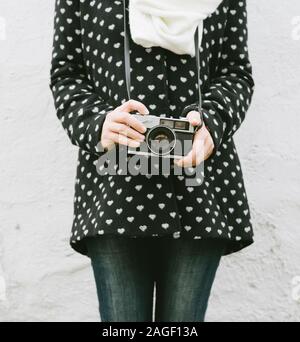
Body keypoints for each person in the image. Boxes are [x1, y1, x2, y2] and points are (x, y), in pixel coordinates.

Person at [50, 0, 255, 322]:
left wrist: (213, 121)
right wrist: (96, 123)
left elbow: (235, 72)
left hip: (198, 184)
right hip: (115, 187)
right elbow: (67, 73)